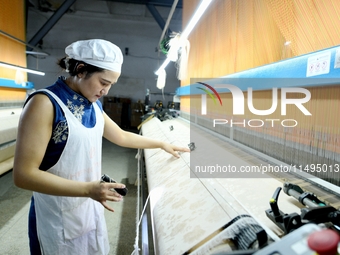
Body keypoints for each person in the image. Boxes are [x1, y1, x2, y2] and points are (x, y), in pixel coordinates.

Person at [13, 39, 190, 255]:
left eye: (110, 85)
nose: (106, 91)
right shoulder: (44, 104)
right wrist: (88, 189)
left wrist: (162, 144)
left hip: (88, 207)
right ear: (80, 70)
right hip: (56, 215)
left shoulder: (92, 103)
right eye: (103, 82)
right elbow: (23, 175)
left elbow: (122, 136)